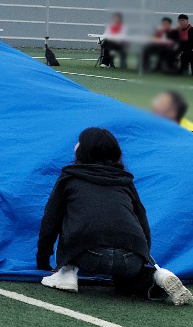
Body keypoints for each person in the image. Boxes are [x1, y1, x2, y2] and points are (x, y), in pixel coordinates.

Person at [37, 127, 191, 304]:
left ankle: (67, 272)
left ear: (85, 150)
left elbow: (50, 221)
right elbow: (142, 221)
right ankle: (154, 277)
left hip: (88, 255)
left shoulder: (70, 177)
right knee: (124, 281)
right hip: (131, 257)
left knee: (74, 220)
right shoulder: (125, 181)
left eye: (79, 142)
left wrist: (43, 260)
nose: (76, 145)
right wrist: (144, 258)